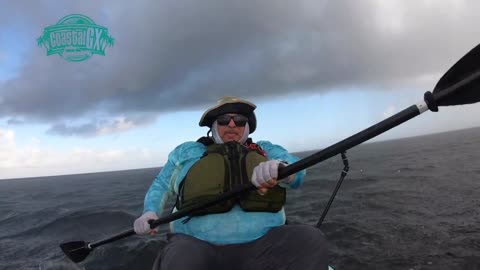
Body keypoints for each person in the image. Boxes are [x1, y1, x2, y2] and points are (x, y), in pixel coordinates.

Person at [134, 96, 329, 270]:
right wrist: (150, 211)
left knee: (309, 238)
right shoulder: (187, 152)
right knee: (182, 257)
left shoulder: (266, 150)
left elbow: (298, 169)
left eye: (240, 121)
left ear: (248, 126)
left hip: (262, 246)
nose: (232, 125)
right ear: (213, 126)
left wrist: (282, 169)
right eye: (224, 120)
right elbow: (162, 185)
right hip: (196, 245)